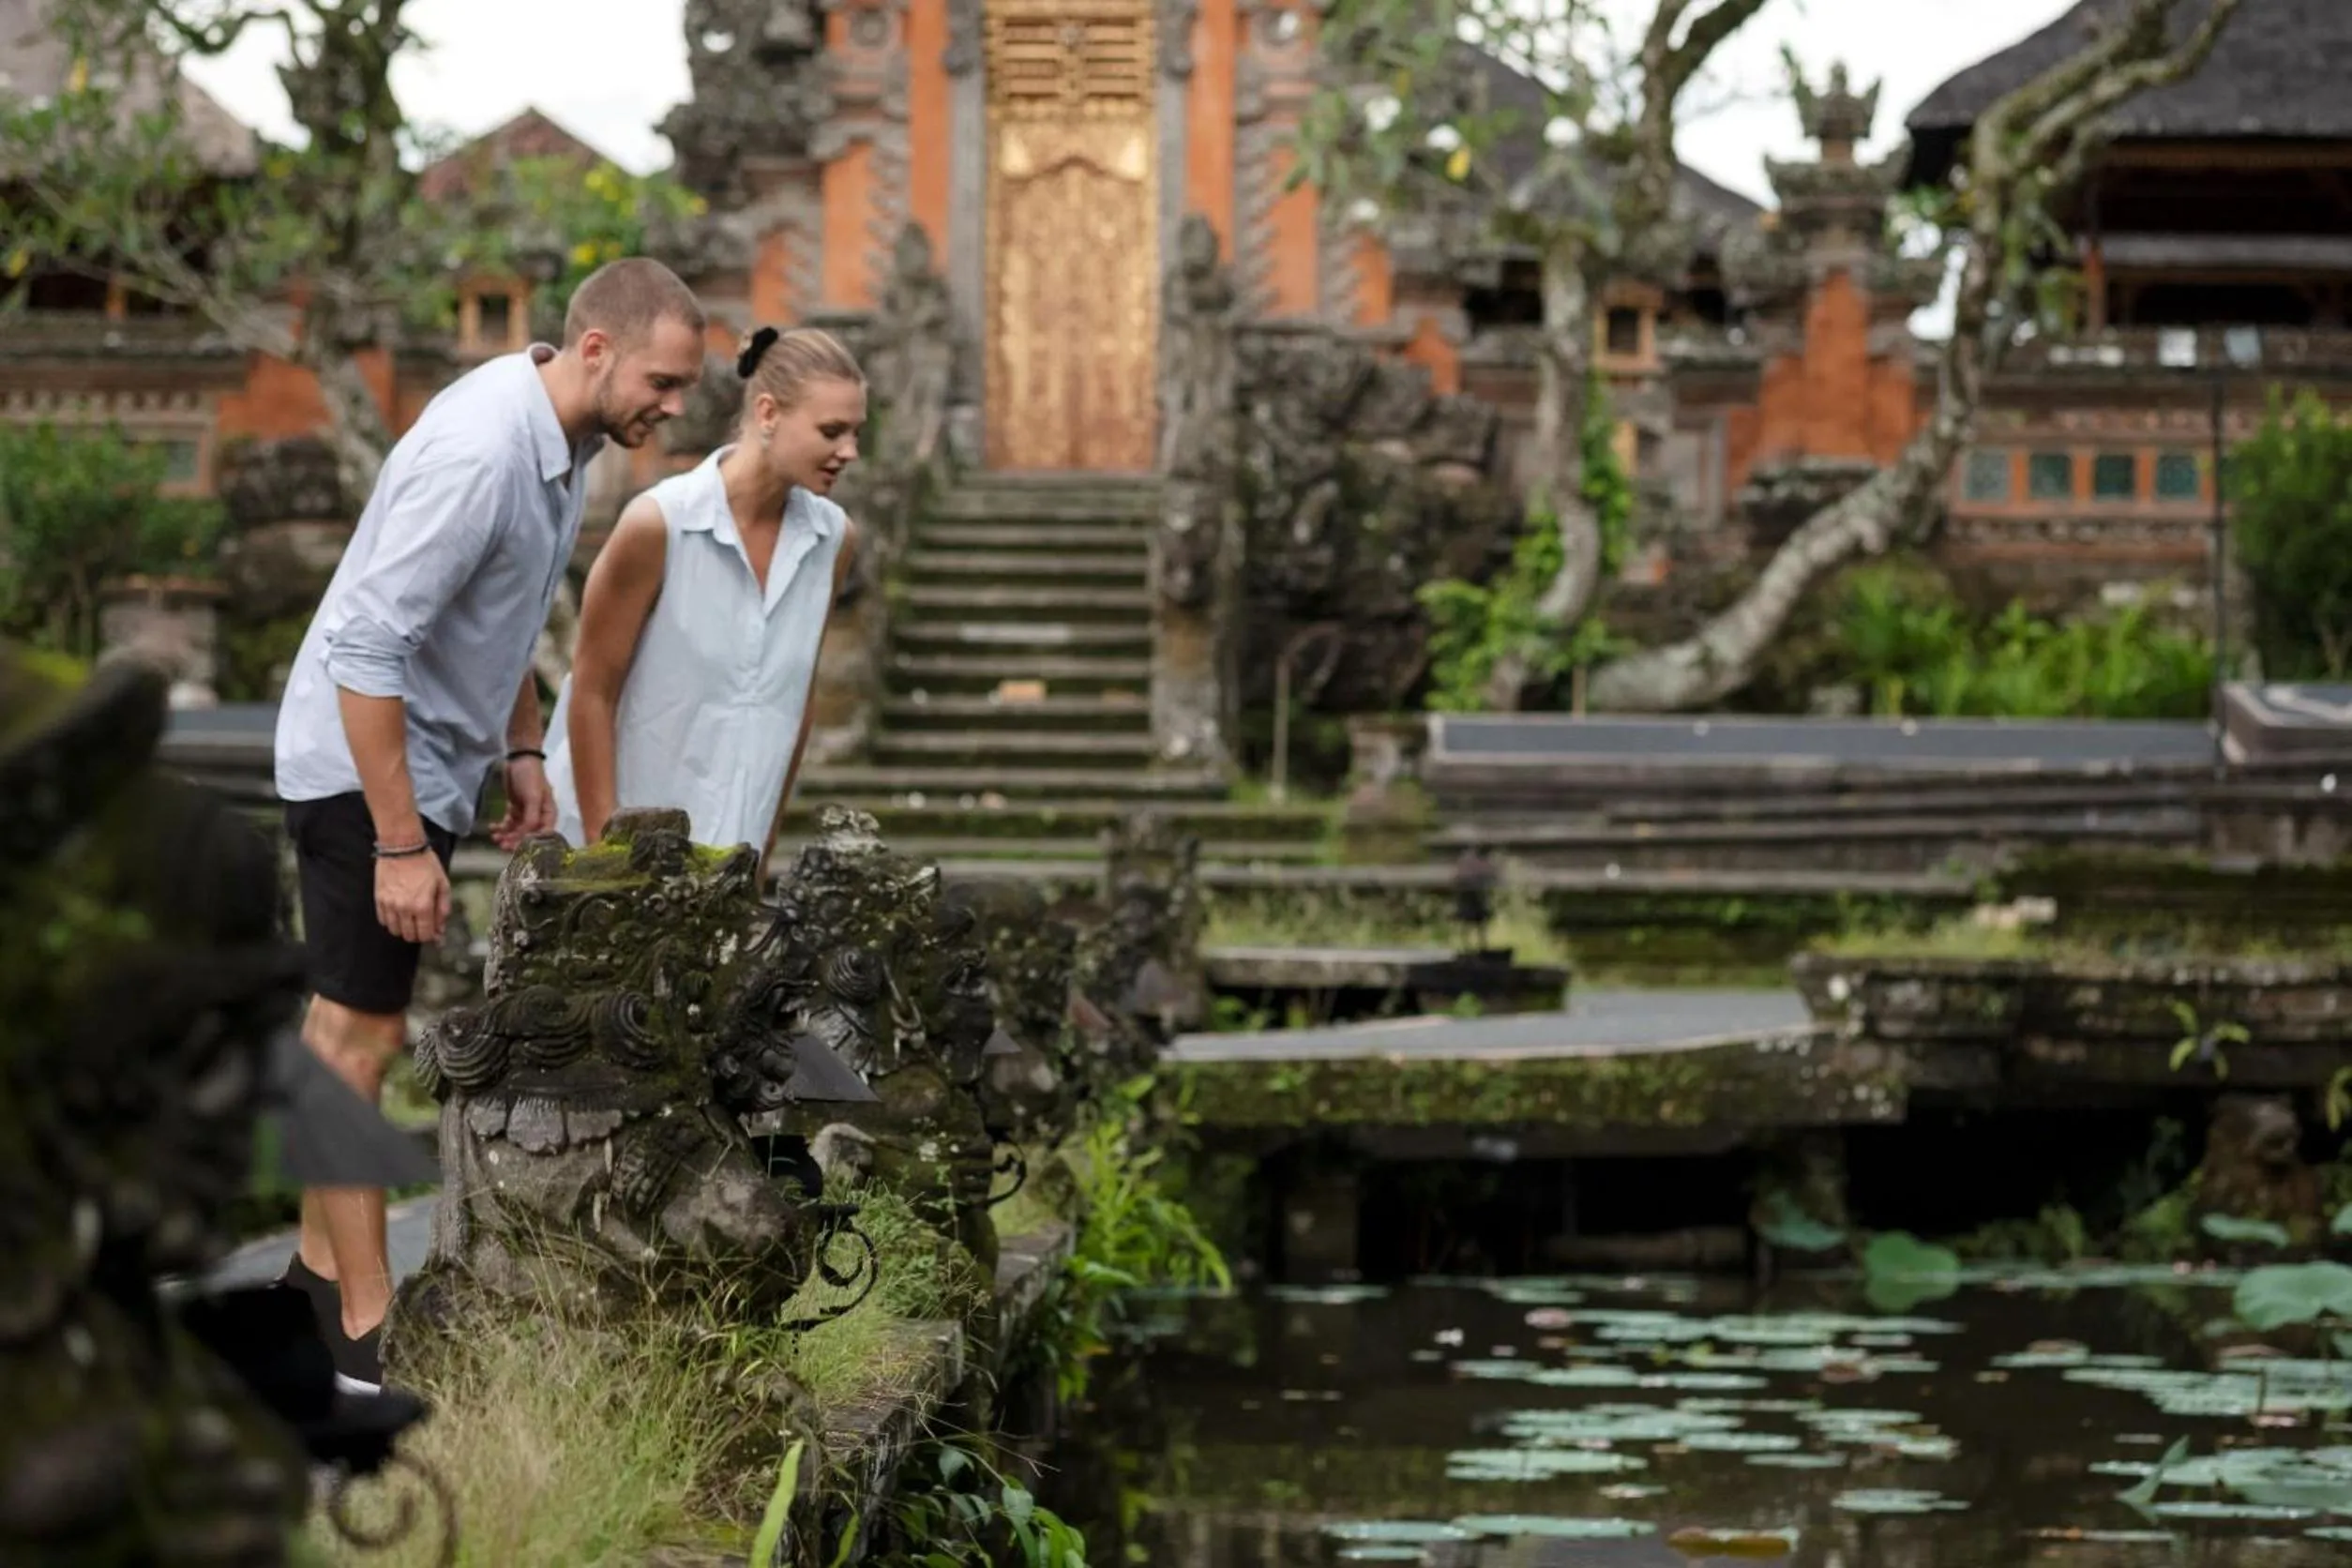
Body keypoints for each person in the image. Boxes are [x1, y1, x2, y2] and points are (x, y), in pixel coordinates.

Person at [271, 258, 707, 1393]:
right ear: (597, 350)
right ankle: (366, 1333)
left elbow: (498, 613)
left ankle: (313, 1280)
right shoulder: (480, 450)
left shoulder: (559, 442)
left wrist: (519, 749)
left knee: (342, 1031)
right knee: (356, 1046)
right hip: (362, 770)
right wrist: (402, 839)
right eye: (664, 380)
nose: (673, 407)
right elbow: (367, 650)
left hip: (419, 767)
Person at [544, 324, 864, 866]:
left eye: (856, 433)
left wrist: (761, 851)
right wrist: (608, 855)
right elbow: (591, 693)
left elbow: (795, 703)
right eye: (832, 431)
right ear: (767, 414)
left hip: (730, 859)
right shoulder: (659, 524)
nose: (849, 451)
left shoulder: (833, 540)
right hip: (615, 857)